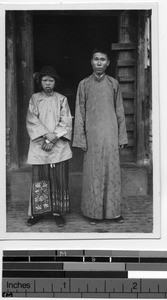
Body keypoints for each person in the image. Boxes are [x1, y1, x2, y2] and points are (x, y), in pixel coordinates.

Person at [72, 47, 128, 225]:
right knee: (93, 173)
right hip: (93, 135)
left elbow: (120, 111)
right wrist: (81, 137)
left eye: (102, 59)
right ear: (91, 62)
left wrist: (121, 137)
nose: (99, 63)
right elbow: (80, 112)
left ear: (108, 63)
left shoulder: (114, 84)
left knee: (111, 172)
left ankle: (114, 212)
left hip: (111, 134)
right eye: (96, 59)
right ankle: (93, 213)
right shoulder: (84, 84)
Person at [26, 66, 72, 227]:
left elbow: (66, 121)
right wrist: (46, 137)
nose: (47, 83)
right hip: (40, 145)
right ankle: (38, 212)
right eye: (44, 80)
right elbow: (32, 120)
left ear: (55, 82)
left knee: (58, 178)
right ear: (40, 82)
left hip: (58, 145)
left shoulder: (61, 99)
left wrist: (53, 139)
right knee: (40, 179)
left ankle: (57, 212)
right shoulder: (35, 98)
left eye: (51, 80)